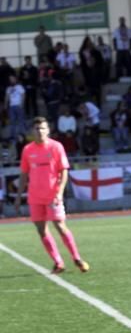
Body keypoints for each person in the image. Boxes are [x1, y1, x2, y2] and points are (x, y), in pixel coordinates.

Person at [16, 117, 88, 274]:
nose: (39, 131)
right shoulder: (28, 150)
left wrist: (60, 192)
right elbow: (23, 174)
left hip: (52, 195)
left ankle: (77, 258)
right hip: (35, 197)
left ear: (48, 130)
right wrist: (18, 196)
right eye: (36, 128)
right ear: (32, 132)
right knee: (41, 230)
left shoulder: (56, 147)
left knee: (60, 226)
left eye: (42, 128)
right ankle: (58, 262)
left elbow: (64, 171)